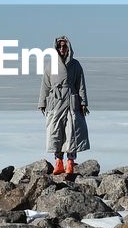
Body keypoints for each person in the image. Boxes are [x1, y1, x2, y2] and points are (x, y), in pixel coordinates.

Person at [38, 35, 89, 174]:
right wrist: (42, 102)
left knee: (71, 132)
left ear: (69, 47)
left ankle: (70, 163)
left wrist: (83, 102)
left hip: (71, 102)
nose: (62, 49)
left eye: (64, 46)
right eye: (59, 46)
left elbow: (81, 84)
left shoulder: (75, 65)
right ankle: (58, 162)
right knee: (56, 132)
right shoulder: (51, 65)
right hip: (55, 102)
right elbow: (46, 85)